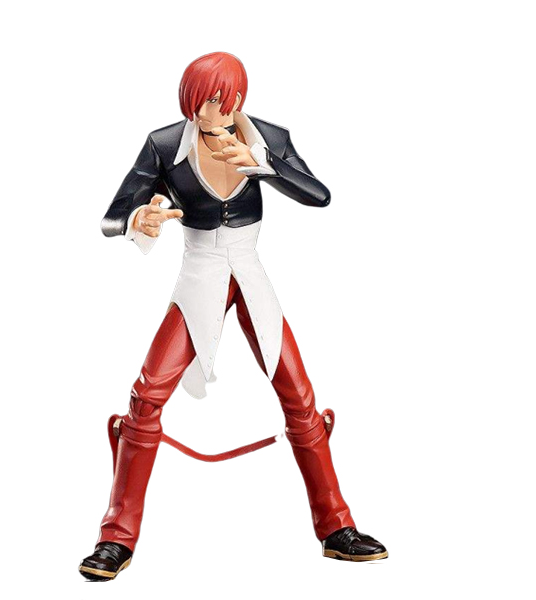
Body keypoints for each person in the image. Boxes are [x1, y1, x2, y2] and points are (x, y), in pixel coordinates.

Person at [79, 52, 386, 582]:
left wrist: (262, 163)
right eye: (200, 100)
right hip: (199, 272)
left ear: (240, 97)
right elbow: (111, 216)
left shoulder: (268, 137)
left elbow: (319, 195)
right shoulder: (164, 144)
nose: (210, 111)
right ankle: (116, 537)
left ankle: (337, 528)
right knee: (146, 398)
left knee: (300, 396)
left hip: (250, 271)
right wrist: (139, 218)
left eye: (222, 99)